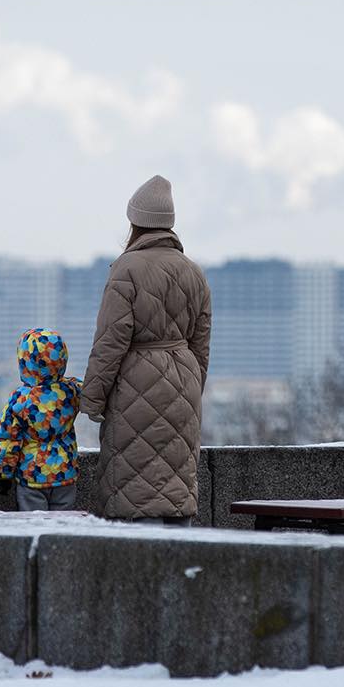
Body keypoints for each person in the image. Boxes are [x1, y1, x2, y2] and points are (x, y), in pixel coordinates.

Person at [81, 175, 212, 525]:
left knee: (133, 488)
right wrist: (191, 387)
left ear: (135, 222)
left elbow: (111, 340)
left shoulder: (127, 268)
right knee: (176, 480)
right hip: (183, 383)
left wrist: (92, 398)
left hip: (135, 382)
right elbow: (201, 344)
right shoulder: (194, 272)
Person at [0, 328, 83, 511]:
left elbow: (8, 440)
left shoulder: (20, 399)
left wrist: (3, 473)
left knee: (34, 526)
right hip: (66, 475)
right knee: (64, 528)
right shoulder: (72, 390)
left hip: (32, 476)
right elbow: (95, 394)